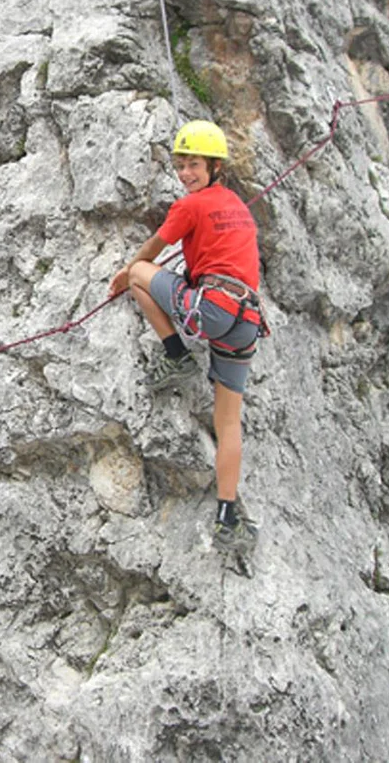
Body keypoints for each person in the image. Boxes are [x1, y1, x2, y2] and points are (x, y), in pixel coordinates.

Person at [108, 120, 268, 549]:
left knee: (143, 275)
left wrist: (126, 274)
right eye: (180, 166)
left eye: (193, 165)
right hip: (246, 319)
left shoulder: (191, 205)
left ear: (214, 165)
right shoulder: (237, 205)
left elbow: (153, 249)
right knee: (228, 419)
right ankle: (226, 516)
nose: (185, 174)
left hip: (213, 308)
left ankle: (175, 354)